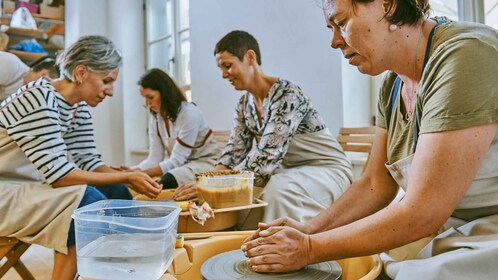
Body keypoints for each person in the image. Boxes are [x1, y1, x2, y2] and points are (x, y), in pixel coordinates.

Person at [241, 0, 498, 278]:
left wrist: (309, 248)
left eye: (341, 23)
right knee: (366, 261)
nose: (334, 42)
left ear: (387, 5)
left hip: (488, 226)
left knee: (418, 275)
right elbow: (375, 184)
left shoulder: (465, 54)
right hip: (452, 222)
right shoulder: (392, 86)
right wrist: (310, 228)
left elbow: (424, 211)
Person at [0, 35, 162, 280]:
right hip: (5, 191)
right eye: (106, 81)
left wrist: (128, 178)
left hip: (29, 187)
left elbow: (89, 161)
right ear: (81, 72)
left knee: (117, 192)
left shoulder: (78, 107)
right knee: (85, 201)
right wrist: (129, 174)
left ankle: (122, 274)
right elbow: (60, 176)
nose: (110, 91)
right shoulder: (39, 97)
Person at [182, 30, 352, 225]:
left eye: (228, 66)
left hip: (327, 171)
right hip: (292, 172)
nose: (223, 74)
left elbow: (266, 158)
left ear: (250, 57)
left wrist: (212, 185)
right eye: (221, 68)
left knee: (277, 190)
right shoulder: (244, 105)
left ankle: (279, 253)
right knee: (249, 200)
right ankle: (239, 250)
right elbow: (233, 152)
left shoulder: (287, 94)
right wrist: (206, 183)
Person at [120, 68, 220, 192]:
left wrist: (135, 175)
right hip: (183, 165)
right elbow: (154, 158)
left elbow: (176, 161)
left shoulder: (189, 114)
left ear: (165, 93)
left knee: (168, 179)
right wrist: (131, 171)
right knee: (130, 183)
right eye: (144, 97)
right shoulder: (156, 119)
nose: (147, 103)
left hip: (205, 163)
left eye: (150, 97)